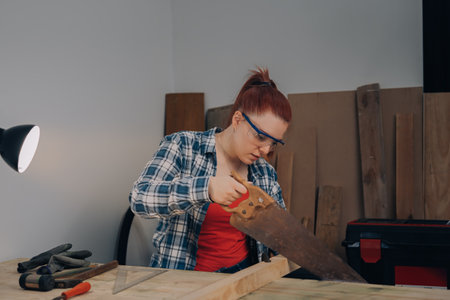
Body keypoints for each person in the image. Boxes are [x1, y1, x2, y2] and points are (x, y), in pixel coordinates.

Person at [129, 67, 292, 273]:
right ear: (237, 120)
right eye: (260, 137)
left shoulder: (264, 173)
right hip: (183, 280)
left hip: (241, 279)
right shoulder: (183, 146)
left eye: (274, 143)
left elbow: (280, 238)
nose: (266, 150)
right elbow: (139, 198)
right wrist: (206, 189)